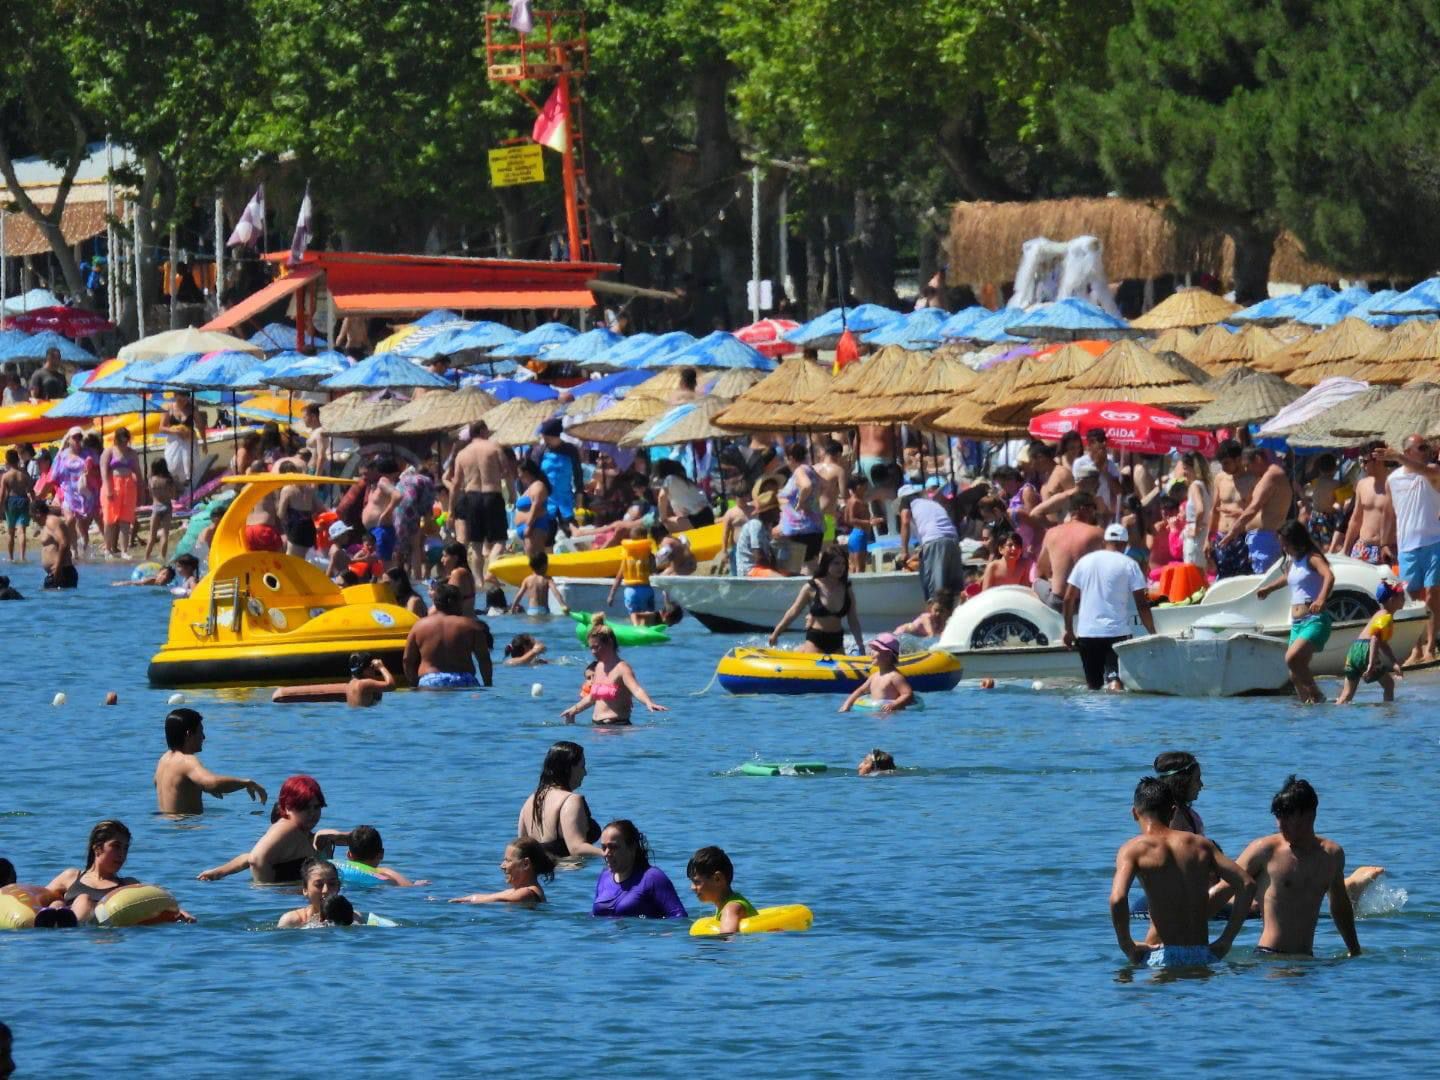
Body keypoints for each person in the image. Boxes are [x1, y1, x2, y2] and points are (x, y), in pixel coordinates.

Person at [1109, 778, 1254, 968]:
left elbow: (1118, 898)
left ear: (1135, 813)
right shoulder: (1200, 845)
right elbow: (1246, 884)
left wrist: (1126, 944)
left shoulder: (1133, 849)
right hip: (1202, 954)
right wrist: (1226, 940)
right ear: (1172, 811)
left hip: (1163, 956)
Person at [1232, 776, 1361, 958]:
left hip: (1307, 959)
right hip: (1269, 957)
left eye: (1287, 816)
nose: (1280, 824)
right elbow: (1225, 887)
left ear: (1310, 815)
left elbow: (1339, 906)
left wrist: (1354, 950)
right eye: (1278, 816)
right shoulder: (1264, 850)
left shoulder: (1332, 855)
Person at [198, 775, 356, 884]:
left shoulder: (306, 835)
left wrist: (219, 872)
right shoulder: (288, 827)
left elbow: (249, 857)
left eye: (316, 807)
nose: (312, 813)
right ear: (287, 808)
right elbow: (256, 859)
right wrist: (268, 888)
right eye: (304, 808)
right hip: (282, 901)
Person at [44, 820, 196, 926]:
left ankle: (72, 924)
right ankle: (56, 920)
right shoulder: (72, 876)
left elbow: (157, 899)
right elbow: (38, 896)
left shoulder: (127, 884)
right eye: (116, 846)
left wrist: (180, 912)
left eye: (125, 848)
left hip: (91, 930)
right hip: (63, 923)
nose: (121, 854)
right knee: (56, 902)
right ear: (97, 848)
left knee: (83, 899)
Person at [1063, 523, 1157, 691]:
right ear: (1124, 544)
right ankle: (1115, 714)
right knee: (1115, 680)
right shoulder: (1129, 564)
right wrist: (1152, 632)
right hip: (1116, 633)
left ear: (1104, 542)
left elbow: (1068, 598)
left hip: (1086, 634)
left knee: (1093, 686)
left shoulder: (1084, 562)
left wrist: (1068, 630)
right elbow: (1141, 604)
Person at [1253, 519, 1333, 703]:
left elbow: (1329, 575)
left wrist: (1321, 599)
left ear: (1295, 540)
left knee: (1291, 658)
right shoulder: (1292, 561)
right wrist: (1268, 589)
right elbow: (1287, 578)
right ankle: (1306, 713)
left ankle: (1317, 694)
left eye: (1285, 543)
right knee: (1294, 674)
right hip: (1297, 623)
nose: (1283, 547)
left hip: (1315, 620)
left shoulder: (1312, 558)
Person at [1383, 434, 1440, 664]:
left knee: (1433, 593)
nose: (1427, 451)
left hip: (1433, 540)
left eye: (1428, 447)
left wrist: (1397, 456)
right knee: (1411, 598)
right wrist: (1385, 542)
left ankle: (1431, 646)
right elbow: (1389, 511)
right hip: (1407, 545)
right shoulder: (1393, 479)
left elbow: (1426, 470)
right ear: (1408, 452)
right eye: (1421, 447)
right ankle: (1415, 649)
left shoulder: (1432, 471)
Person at [154, 707, 268, 815]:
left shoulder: (163, 760)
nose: (203, 737)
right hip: (188, 830)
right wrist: (246, 783)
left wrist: (202, 786)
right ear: (189, 734)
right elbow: (212, 783)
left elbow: (179, 790)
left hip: (166, 825)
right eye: (200, 732)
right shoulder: (187, 761)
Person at [446, 419, 513, 579]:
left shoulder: (462, 454)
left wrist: (450, 509)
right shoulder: (494, 447)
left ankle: (479, 581)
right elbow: (508, 471)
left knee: (475, 544)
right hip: (492, 495)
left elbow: (455, 484)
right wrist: (512, 493)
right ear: (483, 431)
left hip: (472, 498)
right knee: (499, 540)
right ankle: (491, 571)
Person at [561, 624, 666, 724]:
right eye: (590, 648)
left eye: (596, 647)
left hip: (617, 728)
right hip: (596, 728)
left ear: (610, 643)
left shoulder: (622, 668)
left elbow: (636, 689)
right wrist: (574, 710)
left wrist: (648, 702)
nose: (593, 652)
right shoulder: (598, 667)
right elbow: (592, 697)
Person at [768, 546, 864, 655]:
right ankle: (801, 650)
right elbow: (793, 612)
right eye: (836, 563)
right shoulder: (811, 587)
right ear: (826, 564)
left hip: (837, 639)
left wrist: (860, 644)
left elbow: (853, 620)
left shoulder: (847, 589)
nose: (841, 567)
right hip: (816, 639)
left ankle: (800, 650)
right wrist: (776, 632)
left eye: (843, 564)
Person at [516, 741, 604, 858]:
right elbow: (577, 848)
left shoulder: (530, 801)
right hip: (570, 872)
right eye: (582, 766)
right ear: (569, 768)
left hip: (542, 873)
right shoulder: (571, 800)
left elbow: (521, 850)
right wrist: (610, 855)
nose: (585, 773)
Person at [1216, 447, 1293, 574]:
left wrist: (1233, 532)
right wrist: (1240, 514)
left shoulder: (1271, 476)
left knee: (1264, 581)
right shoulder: (1269, 476)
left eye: (1248, 465)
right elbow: (1266, 509)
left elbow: (1253, 508)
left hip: (1266, 539)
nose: (1246, 469)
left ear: (1258, 459)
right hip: (1263, 538)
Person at [403, 582, 494, 689]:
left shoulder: (419, 626)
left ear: (436, 602)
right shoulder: (471, 626)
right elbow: (484, 659)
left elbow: (407, 660)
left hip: (430, 681)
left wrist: (414, 684)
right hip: (464, 680)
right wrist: (488, 686)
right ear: (454, 602)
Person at [592, 819, 687, 919]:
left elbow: (679, 917)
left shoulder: (653, 878)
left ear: (632, 848)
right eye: (604, 847)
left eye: (613, 847)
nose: (606, 853)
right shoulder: (604, 877)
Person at [1336, 578, 1407, 705]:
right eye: (1402, 595)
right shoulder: (1386, 617)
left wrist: (1394, 662)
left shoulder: (1379, 614)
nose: (1405, 598)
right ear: (1392, 600)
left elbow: (1382, 642)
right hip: (1366, 650)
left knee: (1346, 695)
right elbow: (1374, 639)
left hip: (1354, 650)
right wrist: (1371, 663)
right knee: (1389, 685)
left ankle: (1335, 717)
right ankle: (1388, 716)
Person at [1034, 492, 1104, 610]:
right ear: (1084, 509)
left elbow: (1041, 570)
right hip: (1084, 602)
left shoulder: (1051, 533)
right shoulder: (1097, 533)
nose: (1094, 513)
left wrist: (1055, 579)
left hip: (1058, 602)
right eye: (1094, 508)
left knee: (1036, 582)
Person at [899, 484, 964, 602]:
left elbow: (905, 521)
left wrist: (904, 551)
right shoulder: (931, 504)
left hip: (935, 542)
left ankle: (935, 618)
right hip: (953, 540)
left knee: (935, 592)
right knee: (954, 589)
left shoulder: (907, 503)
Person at [450, 838, 555, 905]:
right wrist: (461, 900)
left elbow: (497, 901)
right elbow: (486, 897)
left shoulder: (526, 893)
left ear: (525, 864)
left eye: (508, 861)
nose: (502, 866)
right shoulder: (514, 891)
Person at [272, 652, 397, 706]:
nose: (374, 671)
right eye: (372, 668)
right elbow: (391, 685)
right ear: (365, 669)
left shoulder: (353, 684)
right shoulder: (365, 684)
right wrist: (381, 667)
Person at [278, 858, 370, 928]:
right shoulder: (291, 921)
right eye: (319, 885)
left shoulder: (354, 918)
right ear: (305, 890)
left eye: (332, 884)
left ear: (338, 887)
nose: (326, 890)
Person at [686, 846, 759, 933]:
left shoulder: (731, 909)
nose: (692, 887)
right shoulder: (725, 905)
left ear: (717, 879)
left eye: (697, 882)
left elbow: (727, 940)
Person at [839, 633, 914, 714]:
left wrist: (894, 704)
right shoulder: (874, 676)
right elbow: (860, 691)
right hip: (875, 716)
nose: (871, 652)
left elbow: (907, 694)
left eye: (876, 649)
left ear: (888, 654)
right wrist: (846, 705)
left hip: (890, 719)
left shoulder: (895, 677)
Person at [778, 442, 824, 572]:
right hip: (813, 526)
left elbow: (806, 485)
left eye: (786, 459)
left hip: (800, 528)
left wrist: (801, 502)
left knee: (798, 567)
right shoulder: (812, 470)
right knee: (811, 565)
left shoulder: (800, 470)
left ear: (791, 458)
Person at [537, 417, 583, 527]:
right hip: (546, 503)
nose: (543, 437)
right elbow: (535, 478)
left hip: (566, 502)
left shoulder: (570, 450)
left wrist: (579, 502)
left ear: (553, 435)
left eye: (545, 435)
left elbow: (578, 476)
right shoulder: (540, 451)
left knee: (570, 535)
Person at [344, 825, 425, 886]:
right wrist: (417, 885)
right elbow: (408, 886)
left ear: (348, 855)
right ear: (381, 854)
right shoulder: (383, 873)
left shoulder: (336, 871)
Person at [607, 534, 659, 625]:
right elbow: (654, 572)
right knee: (649, 612)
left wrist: (611, 595)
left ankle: (636, 627)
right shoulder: (649, 556)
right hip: (647, 590)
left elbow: (618, 577)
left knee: (633, 614)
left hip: (631, 591)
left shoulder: (627, 557)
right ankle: (650, 629)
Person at [361, 456, 403, 563]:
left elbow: (397, 496)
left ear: (375, 471)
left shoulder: (382, 481)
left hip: (381, 529)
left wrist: (386, 513)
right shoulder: (373, 485)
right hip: (374, 531)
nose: (363, 477)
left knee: (383, 564)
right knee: (377, 565)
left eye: (366, 474)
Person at [654, 458, 713, 530]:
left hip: (696, 518)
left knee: (664, 526)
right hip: (707, 514)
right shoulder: (685, 481)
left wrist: (662, 518)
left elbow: (661, 497)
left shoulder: (670, 479)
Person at [276, 462, 319, 558]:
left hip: (297, 528)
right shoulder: (309, 489)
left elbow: (281, 514)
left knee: (292, 560)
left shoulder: (287, 489)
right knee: (303, 559)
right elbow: (319, 507)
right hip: (309, 527)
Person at [33, 497, 77, 590]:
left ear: (37, 513)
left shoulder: (51, 521)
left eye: (32, 516)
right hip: (56, 573)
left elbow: (64, 543)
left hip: (62, 573)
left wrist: (57, 567)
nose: (33, 520)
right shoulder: (47, 524)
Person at [735, 488, 781, 575]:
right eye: (776, 509)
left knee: (790, 574)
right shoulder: (756, 525)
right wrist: (775, 572)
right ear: (768, 512)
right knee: (781, 579)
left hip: (760, 568)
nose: (779, 512)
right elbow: (759, 558)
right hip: (749, 570)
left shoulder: (767, 526)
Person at [514, 459, 555, 558]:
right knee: (531, 559)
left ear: (526, 472)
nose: (518, 476)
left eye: (519, 472)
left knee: (537, 559)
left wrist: (528, 526)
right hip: (528, 528)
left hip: (535, 527)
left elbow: (536, 506)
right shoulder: (529, 487)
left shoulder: (538, 485)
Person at [142, 459, 177, 562]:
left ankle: (146, 557)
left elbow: (150, 494)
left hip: (156, 507)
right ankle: (162, 557)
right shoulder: (168, 480)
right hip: (167, 506)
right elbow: (173, 495)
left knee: (152, 536)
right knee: (165, 534)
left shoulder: (151, 480)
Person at [1, 449, 32, 561]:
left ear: (7, 461)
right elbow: (31, 490)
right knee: (21, 531)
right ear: (18, 459)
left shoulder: (6, 476)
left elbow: (2, 494)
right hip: (23, 501)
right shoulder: (23, 474)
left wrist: (1, 507)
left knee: (10, 532)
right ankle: (23, 557)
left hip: (10, 502)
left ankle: (10, 558)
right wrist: (33, 503)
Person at [437, 541, 477, 616]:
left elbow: (450, 603)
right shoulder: (464, 572)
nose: (442, 560)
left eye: (445, 556)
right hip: (469, 618)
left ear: (455, 558)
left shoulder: (457, 573)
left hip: (462, 621)